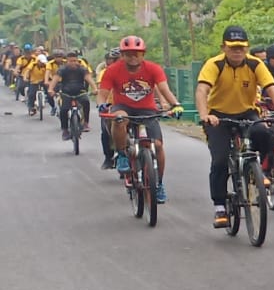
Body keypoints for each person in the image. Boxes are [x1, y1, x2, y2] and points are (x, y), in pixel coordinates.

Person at [195, 26, 274, 228]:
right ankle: (220, 206)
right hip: (218, 115)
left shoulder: (255, 64)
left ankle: (261, 172)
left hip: (246, 112)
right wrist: (205, 115)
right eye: (233, 47)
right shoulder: (214, 64)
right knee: (219, 160)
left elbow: (271, 89)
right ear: (224, 47)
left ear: (247, 48)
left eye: (241, 47)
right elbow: (202, 90)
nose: (237, 51)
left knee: (264, 133)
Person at [96, 35, 184, 202]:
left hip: (147, 109)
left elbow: (164, 89)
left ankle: (158, 183)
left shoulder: (153, 68)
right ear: (122, 55)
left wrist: (176, 104)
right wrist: (101, 104)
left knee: (157, 145)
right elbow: (103, 93)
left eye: (137, 54)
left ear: (143, 54)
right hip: (123, 107)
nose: (133, 57)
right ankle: (122, 154)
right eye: (128, 54)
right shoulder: (112, 70)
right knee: (119, 119)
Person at [49, 50, 95, 140]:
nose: (73, 63)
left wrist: (95, 88)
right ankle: (65, 130)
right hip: (66, 93)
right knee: (63, 110)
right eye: (71, 61)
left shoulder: (82, 69)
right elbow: (55, 79)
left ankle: (86, 123)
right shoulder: (62, 69)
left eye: (75, 61)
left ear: (77, 60)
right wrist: (51, 89)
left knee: (86, 102)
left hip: (80, 92)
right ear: (67, 61)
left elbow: (89, 79)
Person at [96, 48, 121, 169]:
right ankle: (108, 157)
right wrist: (102, 104)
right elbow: (102, 90)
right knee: (106, 131)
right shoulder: (106, 72)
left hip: (130, 106)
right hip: (111, 105)